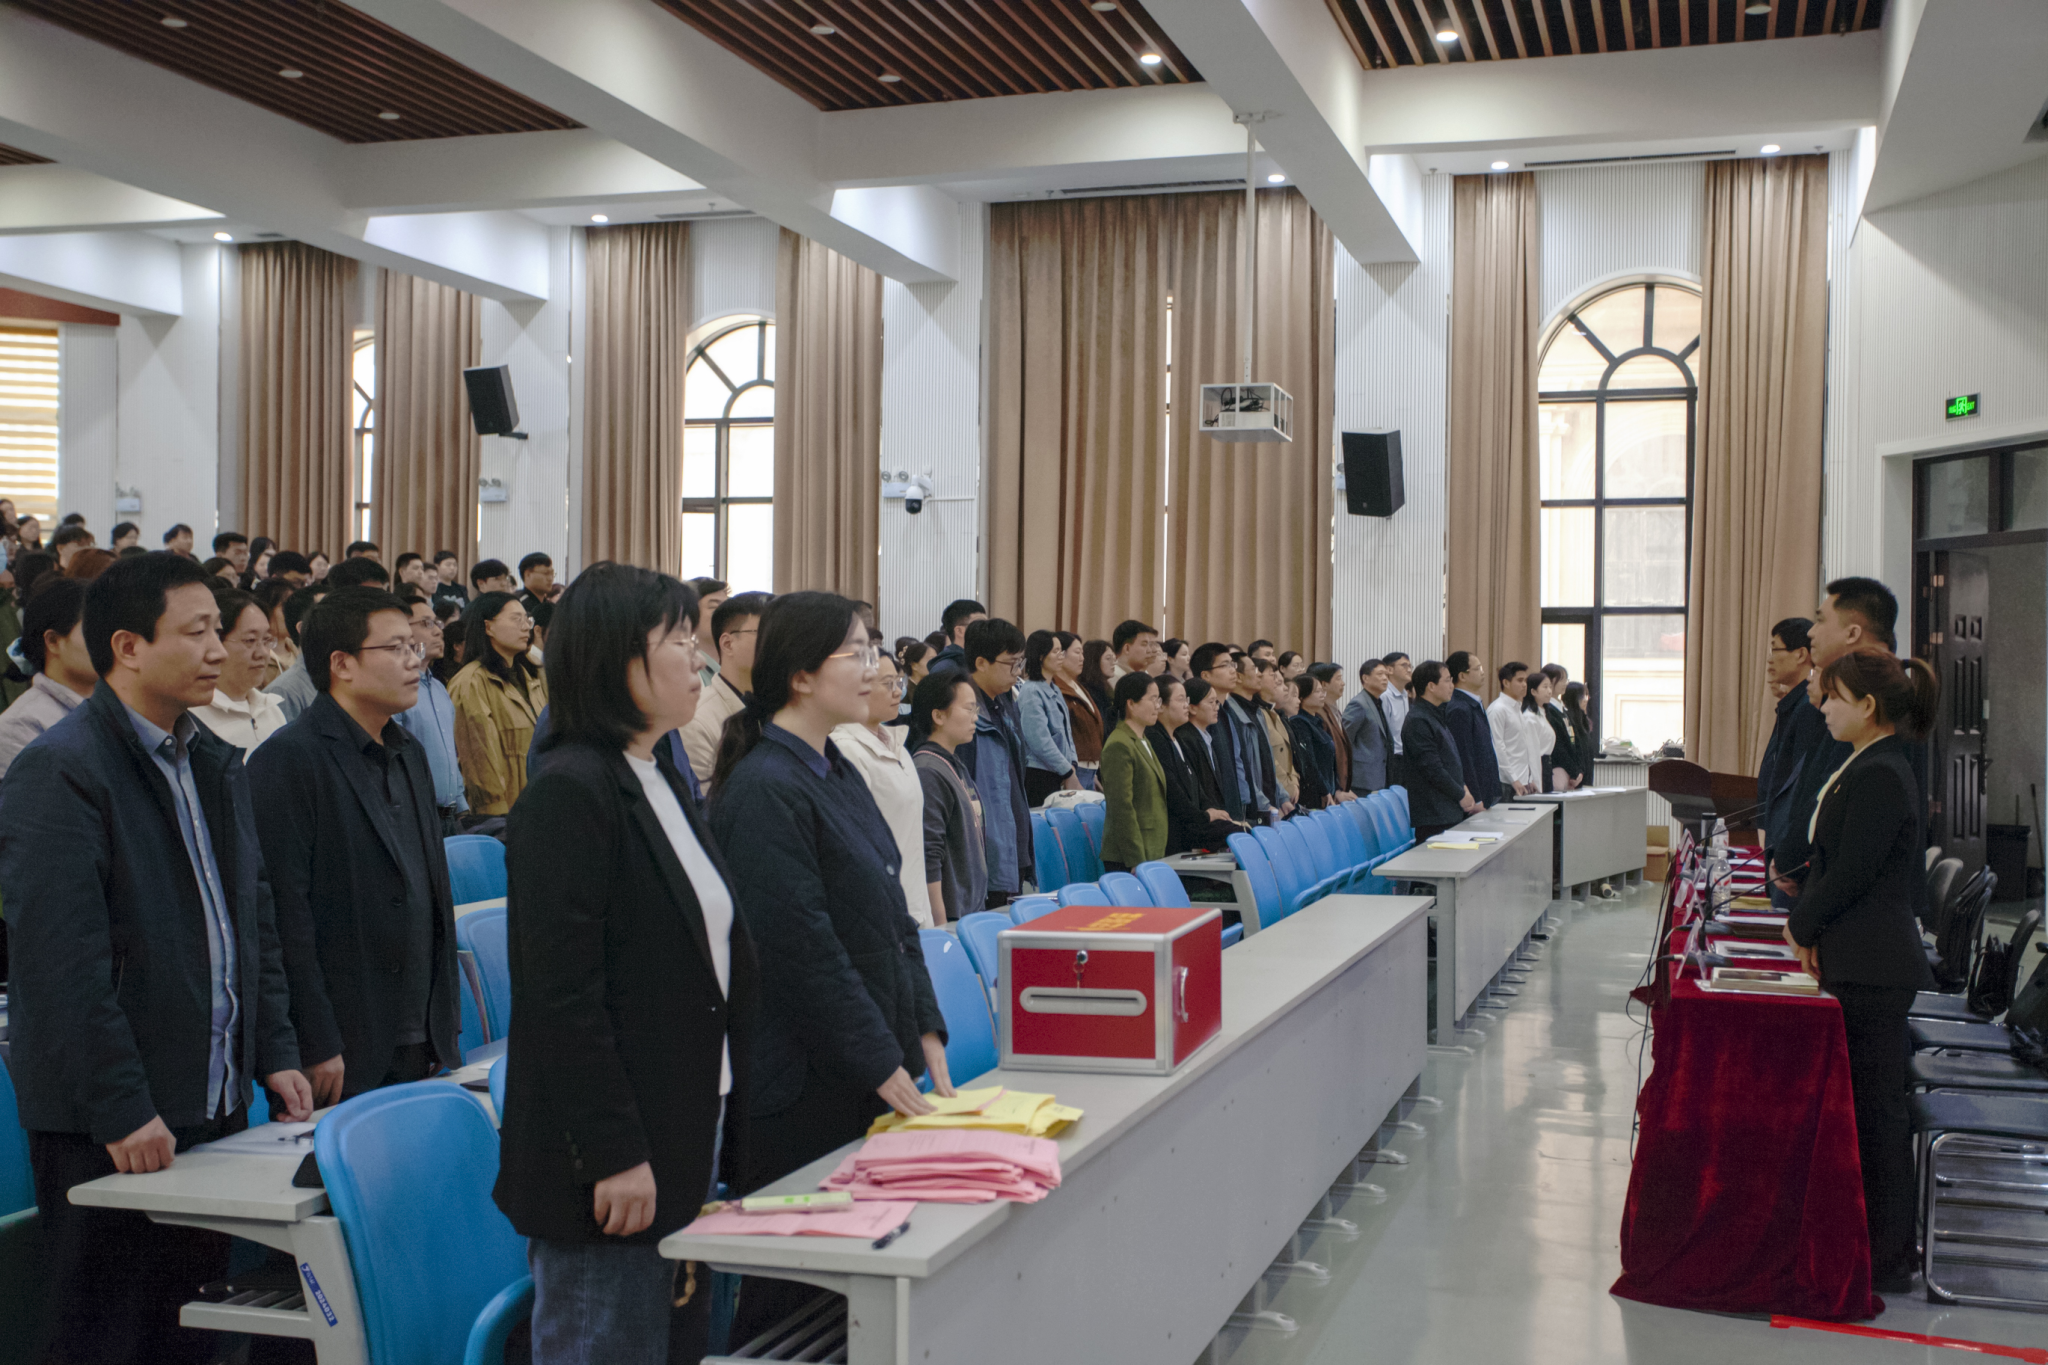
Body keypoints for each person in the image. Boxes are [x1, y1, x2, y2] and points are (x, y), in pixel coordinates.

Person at [0, 552, 313, 1365]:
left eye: (219, 629)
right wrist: (120, 1107)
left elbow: (249, 920)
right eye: (198, 631)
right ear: (129, 646)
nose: (220, 649)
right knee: (109, 1336)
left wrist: (276, 1049)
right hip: (111, 1122)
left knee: (189, 1333)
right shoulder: (59, 770)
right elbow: (61, 965)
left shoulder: (208, 758)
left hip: (205, 1101)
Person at [492, 564, 752, 1365]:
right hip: (611, 1152)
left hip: (684, 1115)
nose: (697, 657)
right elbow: (562, 996)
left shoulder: (657, 773)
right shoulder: (570, 790)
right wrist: (613, 1152)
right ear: (615, 658)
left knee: (670, 1339)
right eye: (677, 639)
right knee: (605, 1341)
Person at [704, 591, 950, 1198]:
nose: (875, 668)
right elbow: (801, 950)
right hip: (801, 1089)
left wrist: (924, 1026)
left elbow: (893, 914)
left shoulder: (833, 766)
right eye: (856, 654)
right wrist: (880, 1060)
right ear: (801, 676)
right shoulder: (765, 788)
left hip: (858, 1066)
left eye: (874, 652)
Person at [248, 587, 461, 1106]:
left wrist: (442, 1026)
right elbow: (284, 916)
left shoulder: (408, 751)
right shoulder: (288, 760)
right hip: (344, 1042)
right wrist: (314, 1039)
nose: (414, 660)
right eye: (395, 648)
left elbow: (432, 895)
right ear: (341, 663)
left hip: (419, 1030)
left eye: (413, 646)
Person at [1782, 650, 1940, 1294]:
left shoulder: (1881, 772)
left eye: (1835, 698)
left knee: (1876, 1112)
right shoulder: (1867, 762)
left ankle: (1890, 1252)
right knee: (1868, 1107)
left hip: (1874, 962)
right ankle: (1875, 1240)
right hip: (1859, 952)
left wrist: (1801, 926)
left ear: (1868, 706)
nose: (1823, 708)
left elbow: (1852, 872)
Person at [834, 653, 931, 927]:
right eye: (888, 684)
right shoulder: (845, 750)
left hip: (914, 901)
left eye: (899, 682)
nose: (898, 691)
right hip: (880, 910)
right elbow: (854, 846)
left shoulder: (899, 747)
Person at [450, 591, 547, 816]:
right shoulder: (471, 683)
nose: (526, 627)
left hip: (540, 805)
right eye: (516, 619)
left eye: (527, 619)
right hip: (505, 815)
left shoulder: (533, 674)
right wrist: (497, 818)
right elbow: (479, 764)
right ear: (488, 627)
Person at [959, 618, 1034, 906]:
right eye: (1011, 664)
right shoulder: (962, 711)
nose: (1018, 672)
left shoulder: (1005, 702)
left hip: (1013, 838)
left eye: (1020, 663)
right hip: (985, 848)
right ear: (981, 663)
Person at [1758, 618, 1828, 908]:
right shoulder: (1794, 703)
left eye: (1775, 649)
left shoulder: (1808, 710)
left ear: (1801, 654)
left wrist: (1788, 852)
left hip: (1790, 843)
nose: (1770, 660)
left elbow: (1799, 789)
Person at [909, 671, 987, 926]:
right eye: (969, 709)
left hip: (968, 911)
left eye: (976, 710)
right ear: (938, 715)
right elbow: (929, 854)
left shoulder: (952, 763)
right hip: (951, 917)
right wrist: (940, 923)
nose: (976, 717)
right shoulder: (928, 770)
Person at [0, 576, 94, 775]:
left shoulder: (124, 703)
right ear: (53, 641)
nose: (108, 643)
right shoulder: (20, 726)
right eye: (94, 632)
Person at [392, 592, 468, 835]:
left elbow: (449, 752)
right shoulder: (394, 691)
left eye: (437, 623)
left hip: (450, 816)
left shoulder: (439, 688)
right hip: (416, 819)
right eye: (427, 624)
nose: (438, 632)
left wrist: (460, 804)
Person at [679, 590, 767, 791]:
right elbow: (706, 804)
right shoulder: (697, 721)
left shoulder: (780, 710)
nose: (776, 644)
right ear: (728, 644)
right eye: (764, 633)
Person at [190, 585, 286, 753]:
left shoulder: (272, 709)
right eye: (250, 640)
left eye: (266, 640)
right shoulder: (194, 719)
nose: (263, 653)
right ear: (215, 642)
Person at [1149, 675, 1237, 854]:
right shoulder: (1157, 740)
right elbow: (1174, 793)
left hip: (1195, 821)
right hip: (1179, 830)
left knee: (1243, 831)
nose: (1186, 706)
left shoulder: (1177, 739)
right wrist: (1206, 815)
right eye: (1181, 700)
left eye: (1187, 700)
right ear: (1161, 705)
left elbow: (1196, 787)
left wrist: (1210, 810)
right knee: (1239, 833)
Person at [1099, 671, 1168, 872]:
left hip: (1151, 847)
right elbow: (1121, 807)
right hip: (1128, 857)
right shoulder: (1119, 744)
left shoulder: (1143, 740)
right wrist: (1135, 858)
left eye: (1159, 700)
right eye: (1152, 699)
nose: (1157, 706)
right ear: (1131, 704)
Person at [1402, 660, 1480, 840]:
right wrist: (1460, 794)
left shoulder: (1435, 714)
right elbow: (1432, 768)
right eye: (1447, 680)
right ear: (1431, 686)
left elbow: (1449, 760)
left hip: (1448, 810)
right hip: (1434, 814)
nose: (1452, 686)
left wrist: (1463, 787)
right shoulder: (1418, 720)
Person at [1017, 628, 1080, 806]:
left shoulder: (1054, 688)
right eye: (1055, 651)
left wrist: (1072, 763)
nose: (1061, 656)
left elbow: (1066, 732)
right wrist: (1067, 770)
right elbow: (1039, 740)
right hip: (1039, 773)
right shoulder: (1031, 691)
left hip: (1059, 770)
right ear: (1040, 656)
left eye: (1062, 651)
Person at [1444, 651, 1501, 810]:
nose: (1483, 672)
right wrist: (1475, 798)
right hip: (1474, 796)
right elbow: (1464, 757)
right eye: (1478, 668)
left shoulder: (1472, 703)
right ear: (1462, 676)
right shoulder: (1459, 709)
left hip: (1485, 789)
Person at [1289, 674, 1345, 809]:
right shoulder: (1299, 723)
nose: (1322, 695)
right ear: (1302, 696)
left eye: (1322, 691)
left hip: (1328, 791)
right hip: (1314, 794)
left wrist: (1336, 789)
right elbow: (1309, 762)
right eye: (1317, 691)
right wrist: (1324, 790)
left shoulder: (1317, 722)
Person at [1343, 659, 1396, 796]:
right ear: (1365, 678)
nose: (1385, 678)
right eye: (1380, 674)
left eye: (1386, 675)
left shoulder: (1378, 701)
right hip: (1362, 779)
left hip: (1380, 776)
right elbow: (1345, 741)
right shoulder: (1358, 704)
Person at [1487, 661, 1538, 800]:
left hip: (1522, 780)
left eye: (1525, 681)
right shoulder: (1497, 709)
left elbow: (1523, 747)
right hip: (1506, 782)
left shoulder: (1517, 708)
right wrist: (1513, 779)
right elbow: (1498, 748)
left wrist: (1530, 778)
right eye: (1520, 680)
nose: (1524, 685)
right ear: (1506, 683)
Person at [1307, 662, 1351, 794]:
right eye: (1338, 679)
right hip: (1330, 789)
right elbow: (1323, 757)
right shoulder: (1319, 714)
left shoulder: (1334, 711)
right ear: (1324, 684)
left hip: (1341, 786)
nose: (1343, 683)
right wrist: (1335, 790)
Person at [1535, 669, 1579, 792]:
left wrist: (1578, 770)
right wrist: (1573, 770)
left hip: (1569, 769)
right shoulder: (1548, 711)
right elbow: (1558, 745)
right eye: (1562, 679)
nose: (1565, 683)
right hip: (1556, 767)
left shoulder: (1562, 710)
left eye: (1566, 679)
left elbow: (1574, 741)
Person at [1520, 669, 1560, 793]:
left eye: (1550, 687)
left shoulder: (1542, 713)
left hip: (1546, 765)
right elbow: (1532, 752)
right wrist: (1534, 780)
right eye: (1545, 687)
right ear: (1533, 691)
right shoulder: (1530, 717)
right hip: (1538, 765)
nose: (1549, 691)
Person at [927, 598, 986, 677]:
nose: (986, 629)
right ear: (959, 631)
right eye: (980, 625)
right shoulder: (945, 668)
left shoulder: (978, 661)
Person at [687, 577, 729, 686]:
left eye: (727, 607)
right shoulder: (682, 667)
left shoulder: (740, 665)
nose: (725, 614)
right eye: (714, 607)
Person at [1380, 652, 1413, 783]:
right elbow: (1383, 731)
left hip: (1405, 755)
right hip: (1392, 758)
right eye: (1404, 665)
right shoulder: (1385, 696)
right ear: (1389, 670)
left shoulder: (1404, 694)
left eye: (1410, 666)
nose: (1409, 670)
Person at [518, 551, 557, 643]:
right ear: (528, 575)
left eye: (552, 573)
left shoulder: (549, 606)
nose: (550, 578)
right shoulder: (519, 605)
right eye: (546, 573)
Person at [1079, 637, 1117, 719]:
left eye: (1114, 659)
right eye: (1108, 659)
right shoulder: (1089, 690)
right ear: (1094, 661)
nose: (1113, 663)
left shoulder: (1106, 687)